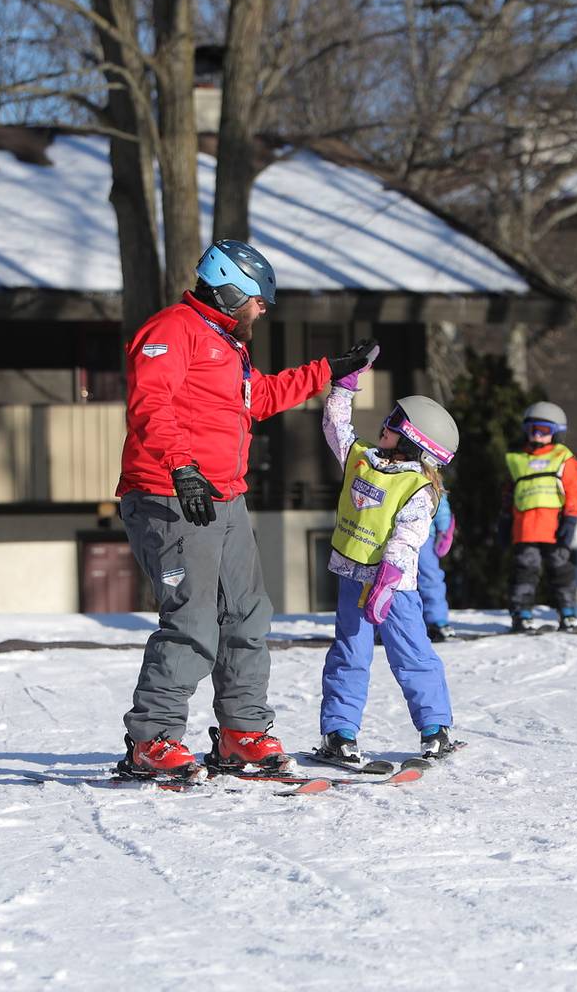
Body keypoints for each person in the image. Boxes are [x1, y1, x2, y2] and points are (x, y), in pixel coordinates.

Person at [115, 238, 378, 780]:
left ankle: (241, 731)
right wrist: (182, 465)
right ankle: (152, 739)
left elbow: (257, 398)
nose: (263, 309)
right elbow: (150, 403)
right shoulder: (171, 331)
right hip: (171, 494)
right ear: (230, 291)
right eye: (259, 300)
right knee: (191, 619)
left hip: (225, 497)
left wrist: (327, 369)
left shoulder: (224, 343)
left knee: (246, 615)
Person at [317, 361, 460, 765]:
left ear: (414, 440)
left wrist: (387, 580)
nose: (385, 422)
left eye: (396, 422)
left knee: (412, 654)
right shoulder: (361, 457)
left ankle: (435, 728)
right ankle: (339, 733)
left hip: (394, 588)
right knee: (349, 655)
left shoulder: (419, 486)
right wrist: (343, 388)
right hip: (351, 577)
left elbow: (407, 537)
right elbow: (335, 428)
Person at [501, 402, 577, 633]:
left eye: (544, 430)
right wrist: (504, 519)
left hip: (555, 528)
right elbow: (509, 493)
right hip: (525, 529)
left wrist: (571, 519)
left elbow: (573, 491)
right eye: (532, 429)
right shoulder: (517, 459)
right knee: (524, 571)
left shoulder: (562, 458)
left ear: (556, 433)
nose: (537, 434)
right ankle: (522, 614)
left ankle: (568, 613)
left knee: (561, 571)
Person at [418, 491, 456, 642]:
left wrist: (444, 530)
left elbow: (440, 503)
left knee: (430, 578)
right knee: (393, 582)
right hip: (394, 535)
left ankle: (436, 620)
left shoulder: (429, 473)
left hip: (424, 535)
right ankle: (386, 624)